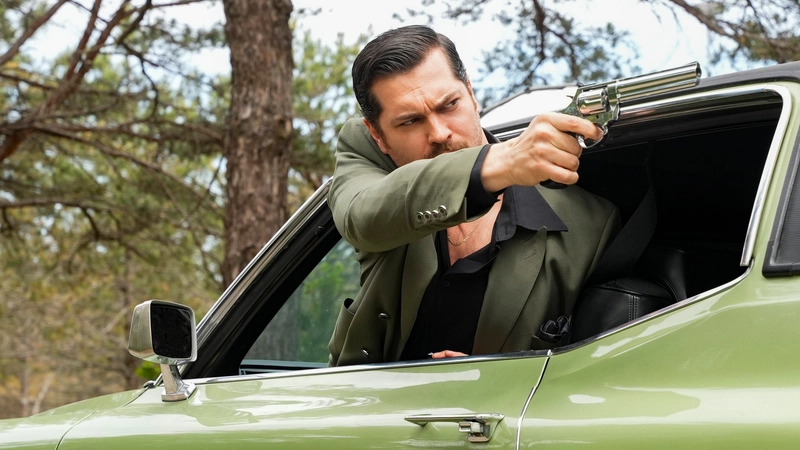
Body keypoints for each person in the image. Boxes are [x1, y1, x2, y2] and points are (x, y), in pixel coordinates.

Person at [327, 25, 620, 367]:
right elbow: (362, 215)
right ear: (378, 135)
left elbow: (598, 373)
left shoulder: (591, 225)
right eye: (410, 121)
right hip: (365, 399)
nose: (439, 133)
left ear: (471, 92)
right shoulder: (367, 154)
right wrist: (500, 163)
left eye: (449, 105)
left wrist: (485, 379)